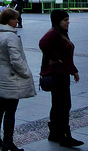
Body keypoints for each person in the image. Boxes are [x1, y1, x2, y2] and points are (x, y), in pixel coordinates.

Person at [0, 8, 36, 151]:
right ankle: (8, 142)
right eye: (14, 19)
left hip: (0, 74)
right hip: (11, 78)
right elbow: (16, 60)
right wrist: (26, 73)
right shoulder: (10, 36)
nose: (17, 21)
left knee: (0, 107)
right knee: (10, 109)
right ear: (7, 20)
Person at [39, 10, 83, 147]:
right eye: (65, 20)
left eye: (67, 19)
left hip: (61, 73)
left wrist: (73, 70)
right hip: (57, 74)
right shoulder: (53, 33)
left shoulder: (61, 34)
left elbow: (66, 56)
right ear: (57, 21)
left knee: (58, 104)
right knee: (64, 104)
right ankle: (65, 135)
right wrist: (55, 58)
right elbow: (42, 43)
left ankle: (54, 133)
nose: (68, 22)